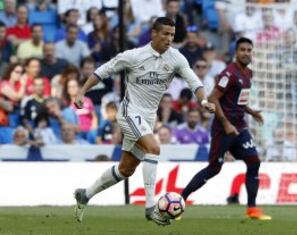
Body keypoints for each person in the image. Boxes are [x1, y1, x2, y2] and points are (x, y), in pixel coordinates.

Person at [73, 17, 215, 226]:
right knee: (154, 148)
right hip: (130, 113)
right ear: (154, 34)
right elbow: (103, 70)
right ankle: (151, 208)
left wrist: (203, 100)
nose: (169, 39)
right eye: (165, 34)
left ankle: (85, 194)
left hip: (148, 118)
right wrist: (82, 92)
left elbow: (194, 81)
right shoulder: (133, 56)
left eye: (172, 36)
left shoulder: (176, 58)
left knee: (125, 169)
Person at [181, 37, 271, 220]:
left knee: (254, 162)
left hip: (240, 127)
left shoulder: (248, 74)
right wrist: (226, 123)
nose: (246, 53)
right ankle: (180, 201)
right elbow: (213, 98)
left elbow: (238, 101)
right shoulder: (228, 74)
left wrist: (252, 112)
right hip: (224, 128)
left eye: (249, 50)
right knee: (214, 168)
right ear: (236, 53)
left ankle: (252, 209)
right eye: (242, 50)